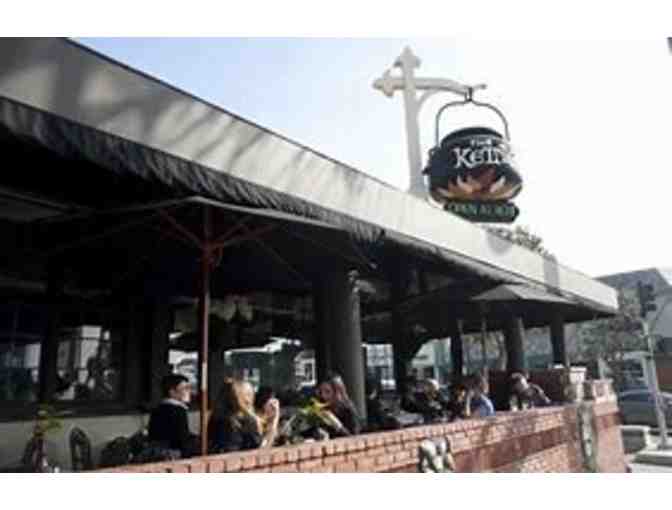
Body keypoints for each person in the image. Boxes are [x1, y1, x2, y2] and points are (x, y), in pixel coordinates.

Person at [209, 378, 280, 453]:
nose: (252, 398)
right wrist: (274, 420)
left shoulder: (217, 417)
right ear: (240, 398)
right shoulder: (244, 421)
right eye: (249, 394)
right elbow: (261, 451)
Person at [147, 374, 198, 458]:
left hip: (156, 453)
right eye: (185, 388)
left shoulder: (157, 409)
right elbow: (182, 439)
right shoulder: (179, 410)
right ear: (172, 392)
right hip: (173, 454)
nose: (189, 391)